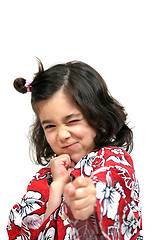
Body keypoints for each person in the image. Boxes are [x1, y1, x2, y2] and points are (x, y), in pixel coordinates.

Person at [7, 60, 143, 239]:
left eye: (72, 121)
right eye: (50, 126)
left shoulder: (114, 161)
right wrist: (57, 187)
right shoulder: (44, 178)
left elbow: (110, 189)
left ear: (98, 116)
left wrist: (93, 198)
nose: (62, 134)